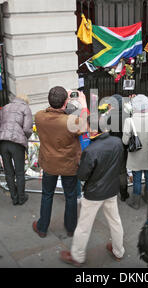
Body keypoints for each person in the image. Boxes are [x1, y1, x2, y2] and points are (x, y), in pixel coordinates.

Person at [60, 117, 125, 266]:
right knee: (115, 221)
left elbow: (82, 175)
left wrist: (80, 164)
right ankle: (118, 251)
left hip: (94, 193)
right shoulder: (117, 142)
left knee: (84, 226)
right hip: (111, 189)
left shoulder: (90, 150)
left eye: (88, 126)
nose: (87, 129)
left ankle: (77, 256)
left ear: (94, 129)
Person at [32, 86, 85, 238]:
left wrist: (61, 103)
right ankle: (71, 228)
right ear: (65, 102)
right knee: (70, 196)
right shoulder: (71, 121)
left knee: (47, 195)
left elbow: (49, 110)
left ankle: (42, 228)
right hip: (68, 165)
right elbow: (86, 126)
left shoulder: (39, 116)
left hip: (49, 163)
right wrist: (81, 103)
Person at [123, 94, 148, 209]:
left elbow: (124, 141)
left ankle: (136, 202)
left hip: (135, 156)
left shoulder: (129, 121)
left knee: (137, 179)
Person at [0, 95, 33, 206]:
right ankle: (21, 197)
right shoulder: (25, 108)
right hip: (16, 142)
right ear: (26, 101)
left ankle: (14, 198)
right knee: (19, 172)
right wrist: (25, 137)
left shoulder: (5, 107)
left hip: (2, 142)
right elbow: (27, 129)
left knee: (8, 171)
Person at [99, 94, 130, 201]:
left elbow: (104, 131)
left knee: (112, 170)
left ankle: (112, 192)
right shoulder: (127, 115)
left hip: (112, 148)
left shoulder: (109, 117)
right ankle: (124, 194)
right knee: (122, 171)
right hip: (124, 147)